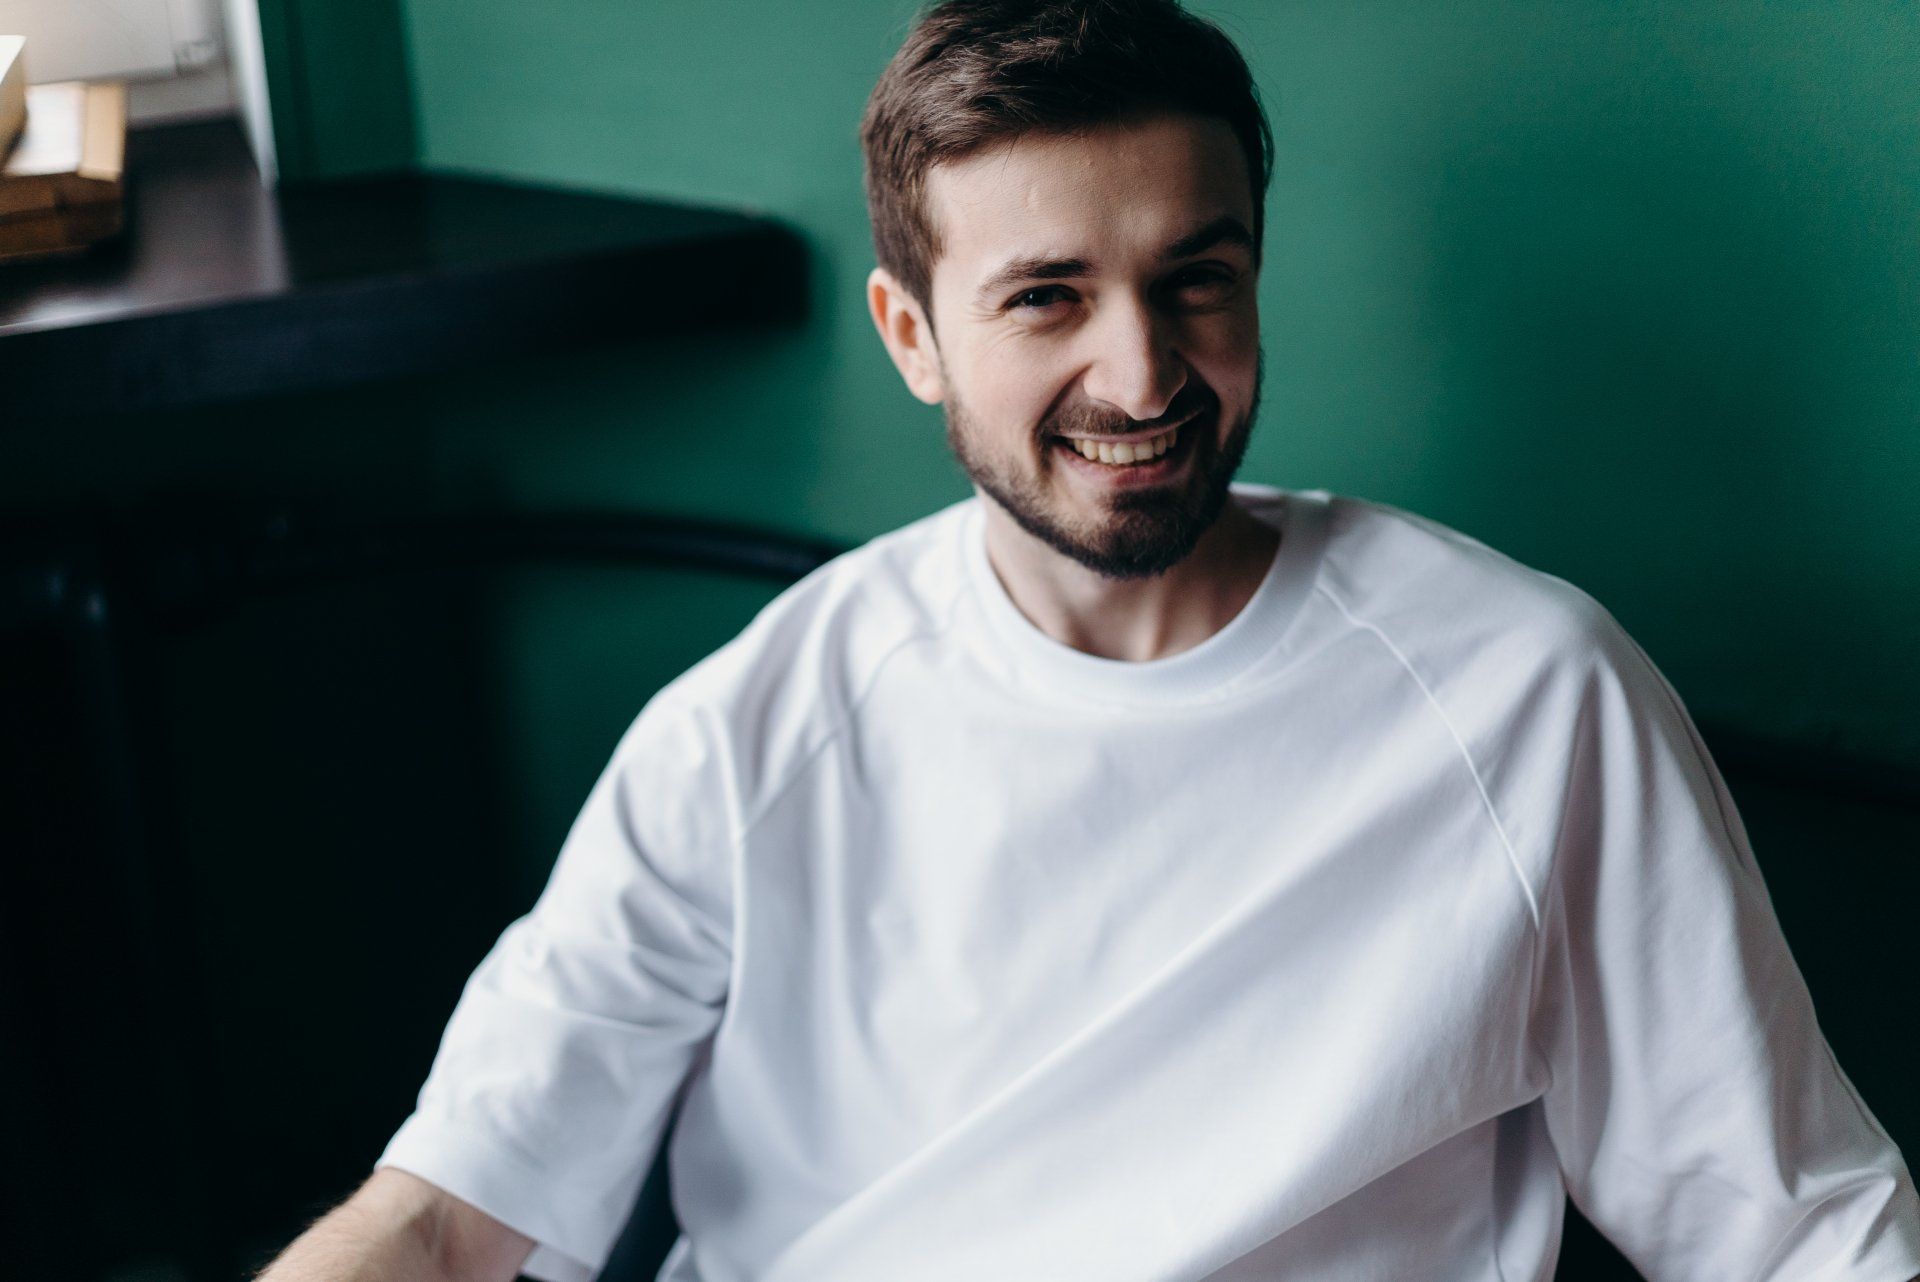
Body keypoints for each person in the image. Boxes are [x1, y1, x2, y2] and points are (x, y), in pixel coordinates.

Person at [257, 2, 1920, 1280]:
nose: (1141, 378)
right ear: (913, 333)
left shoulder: (1527, 699)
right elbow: (444, 1218)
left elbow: (1794, 1229)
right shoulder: (752, 727)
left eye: (1196, 280)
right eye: (1047, 297)